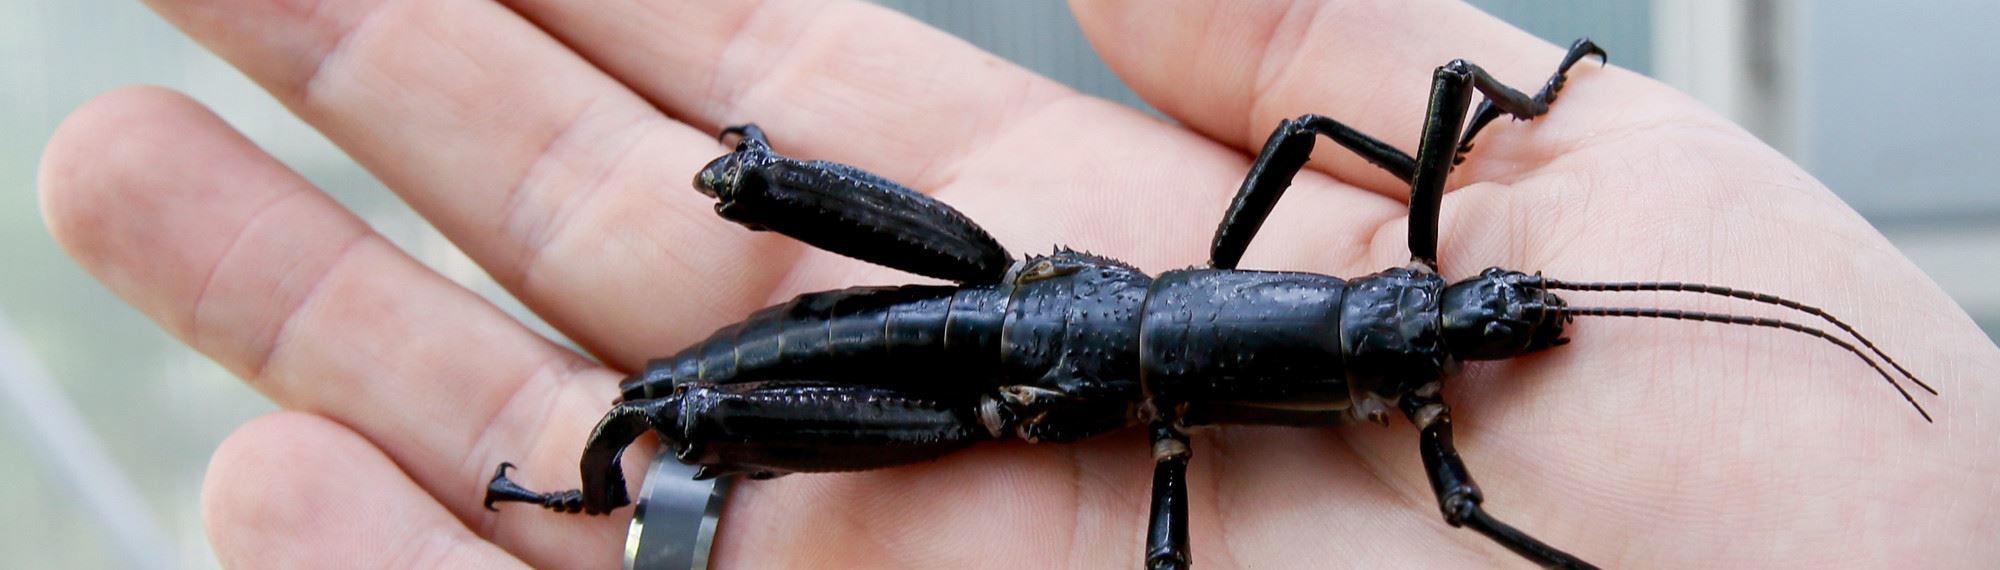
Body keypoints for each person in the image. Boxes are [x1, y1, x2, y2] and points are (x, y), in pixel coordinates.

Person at [37, 0, 1997, 567]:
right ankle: (642, 407)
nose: (1449, 330)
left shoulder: (1367, 354)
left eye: (1435, 331)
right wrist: (1504, 108)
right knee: (707, 387)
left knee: (702, 411)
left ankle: (627, 459)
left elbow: (1461, 479)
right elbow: (1457, 474)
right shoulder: (1383, 409)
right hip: (992, 324)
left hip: (1014, 360)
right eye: (1437, 318)